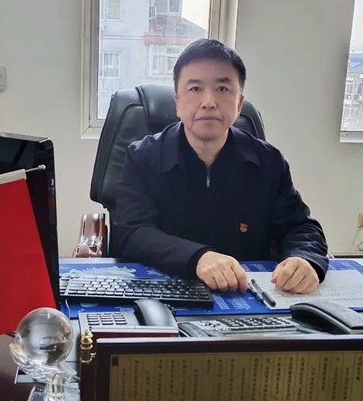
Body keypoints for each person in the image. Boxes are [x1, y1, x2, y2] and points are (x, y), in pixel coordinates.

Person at [111, 39, 328, 295]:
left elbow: (300, 226)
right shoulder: (143, 157)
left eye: (222, 89)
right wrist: (198, 258)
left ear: (239, 104)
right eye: (195, 88)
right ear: (177, 102)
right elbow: (132, 232)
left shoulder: (267, 161)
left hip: (246, 294)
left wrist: (304, 259)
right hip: (166, 290)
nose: (209, 102)